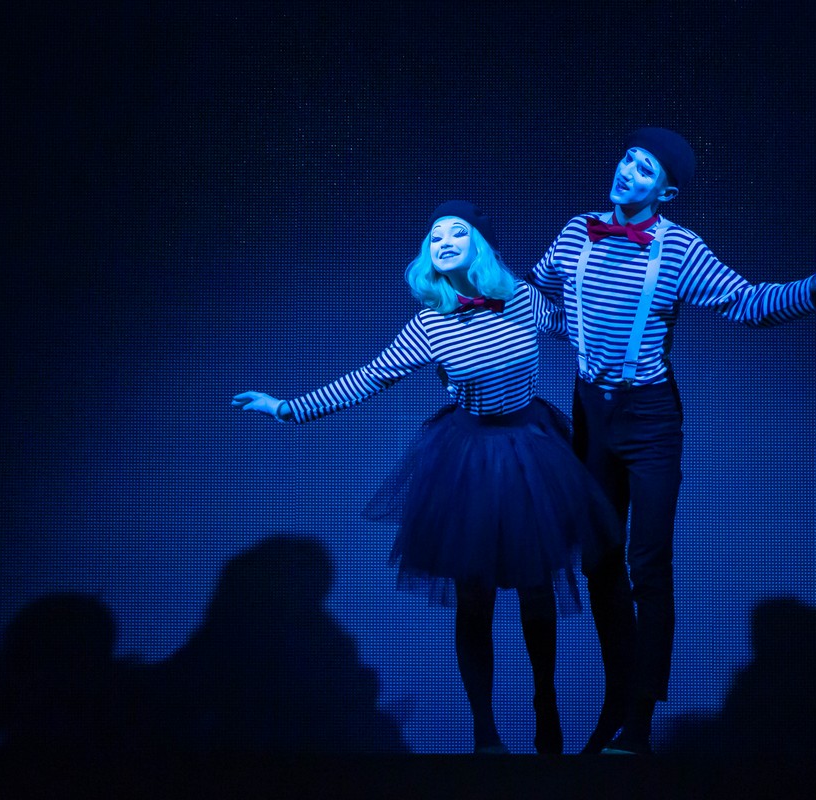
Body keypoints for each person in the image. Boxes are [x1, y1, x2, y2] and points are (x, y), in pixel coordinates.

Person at [529, 127, 816, 754]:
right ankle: (617, 698)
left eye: (646, 168)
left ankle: (639, 718)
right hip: (590, 414)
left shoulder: (680, 249)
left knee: (647, 565)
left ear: (667, 191)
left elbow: (746, 303)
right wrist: (481, 301)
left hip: (649, 418)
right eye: (629, 158)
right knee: (598, 561)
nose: (628, 171)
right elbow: (538, 300)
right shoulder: (577, 232)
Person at [232, 201, 620, 755]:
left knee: (537, 588)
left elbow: (577, 329)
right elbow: (370, 377)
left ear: (479, 243)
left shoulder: (521, 299)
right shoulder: (430, 323)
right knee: (474, 597)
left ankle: (546, 705)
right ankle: (485, 733)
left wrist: (643, 329)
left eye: (457, 232)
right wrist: (288, 408)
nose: (444, 241)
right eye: (435, 236)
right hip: (467, 460)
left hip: (531, 450)